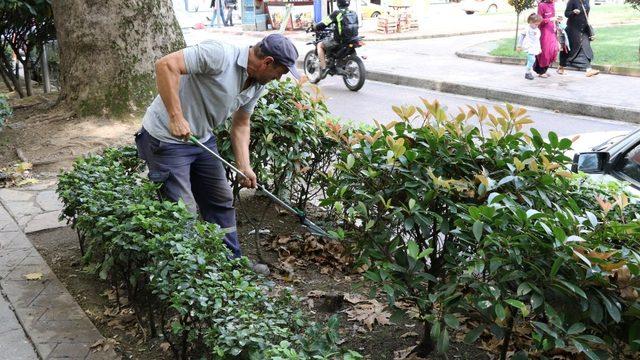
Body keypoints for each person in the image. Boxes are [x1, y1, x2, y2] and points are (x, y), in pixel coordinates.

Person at [135, 34, 300, 273]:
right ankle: (190, 275)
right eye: (281, 72)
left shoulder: (256, 84)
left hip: (200, 138)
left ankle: (230, 266)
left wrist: (244, 166)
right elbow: (166, 65)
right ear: (268, 62)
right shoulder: (220, 54)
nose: (279, 78)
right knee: (183, 212)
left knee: (220, 200)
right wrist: (176, 117)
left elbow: (241, 123)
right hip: (166, 139)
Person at [313, 0, 359, 77]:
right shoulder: (353, 13)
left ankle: (324, 69)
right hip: (353, 38)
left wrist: (315, 27)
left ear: (338, 3)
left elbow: (324, 23)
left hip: (340, 41)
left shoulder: (336, 13)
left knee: (320, 45)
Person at [558, 0, 600, 77]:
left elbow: (586, 16)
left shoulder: (587, 1)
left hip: (583, 29)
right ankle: (561, 66)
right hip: (572, 29)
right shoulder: (572, 1)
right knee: (567, 49)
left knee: (585, 47)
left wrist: (589, 31)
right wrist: (573, 12)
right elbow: (566, 14)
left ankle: (588, 70)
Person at [533, 0, 561, 78]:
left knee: (553, 50)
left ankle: (544, 70)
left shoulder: (552, 4)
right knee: (545, 51)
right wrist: (550, 19)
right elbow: (538, 20)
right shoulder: (541, 5)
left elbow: (552, 18)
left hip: (552, 31)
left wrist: (556, 22)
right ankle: (541, 71)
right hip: (544, 32)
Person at [517, 13, 543, 81]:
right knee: (532, 59)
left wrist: (539, 48)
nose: (537, 26)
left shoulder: (537, 30)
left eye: (538, 24)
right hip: (528, 46)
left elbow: (537, 40)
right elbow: (521, 36)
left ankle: (528, 71)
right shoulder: (527, 29)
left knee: (531, 60)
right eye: (536, 24)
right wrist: (519, 45)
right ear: (531, 22)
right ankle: (527, 73)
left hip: (534, 47)